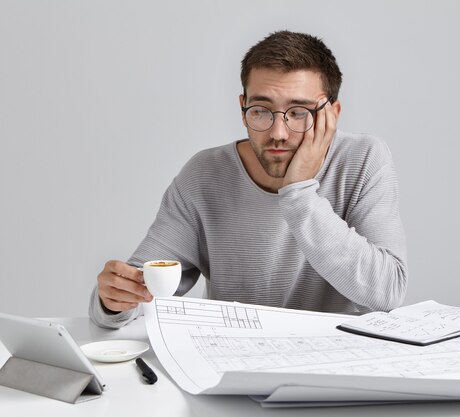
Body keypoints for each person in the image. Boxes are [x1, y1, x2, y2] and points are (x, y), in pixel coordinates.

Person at [89, 30, 408, 329]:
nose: (278, 134)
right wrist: (113, 302)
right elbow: (136, 295)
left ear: (331, 114)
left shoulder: (364, 158)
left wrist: (299, 194)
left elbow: (386, 293)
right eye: (261, 110)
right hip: (229, 362)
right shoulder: (204, 174)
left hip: (334, 365)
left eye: (298, 112)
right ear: (243, 110)